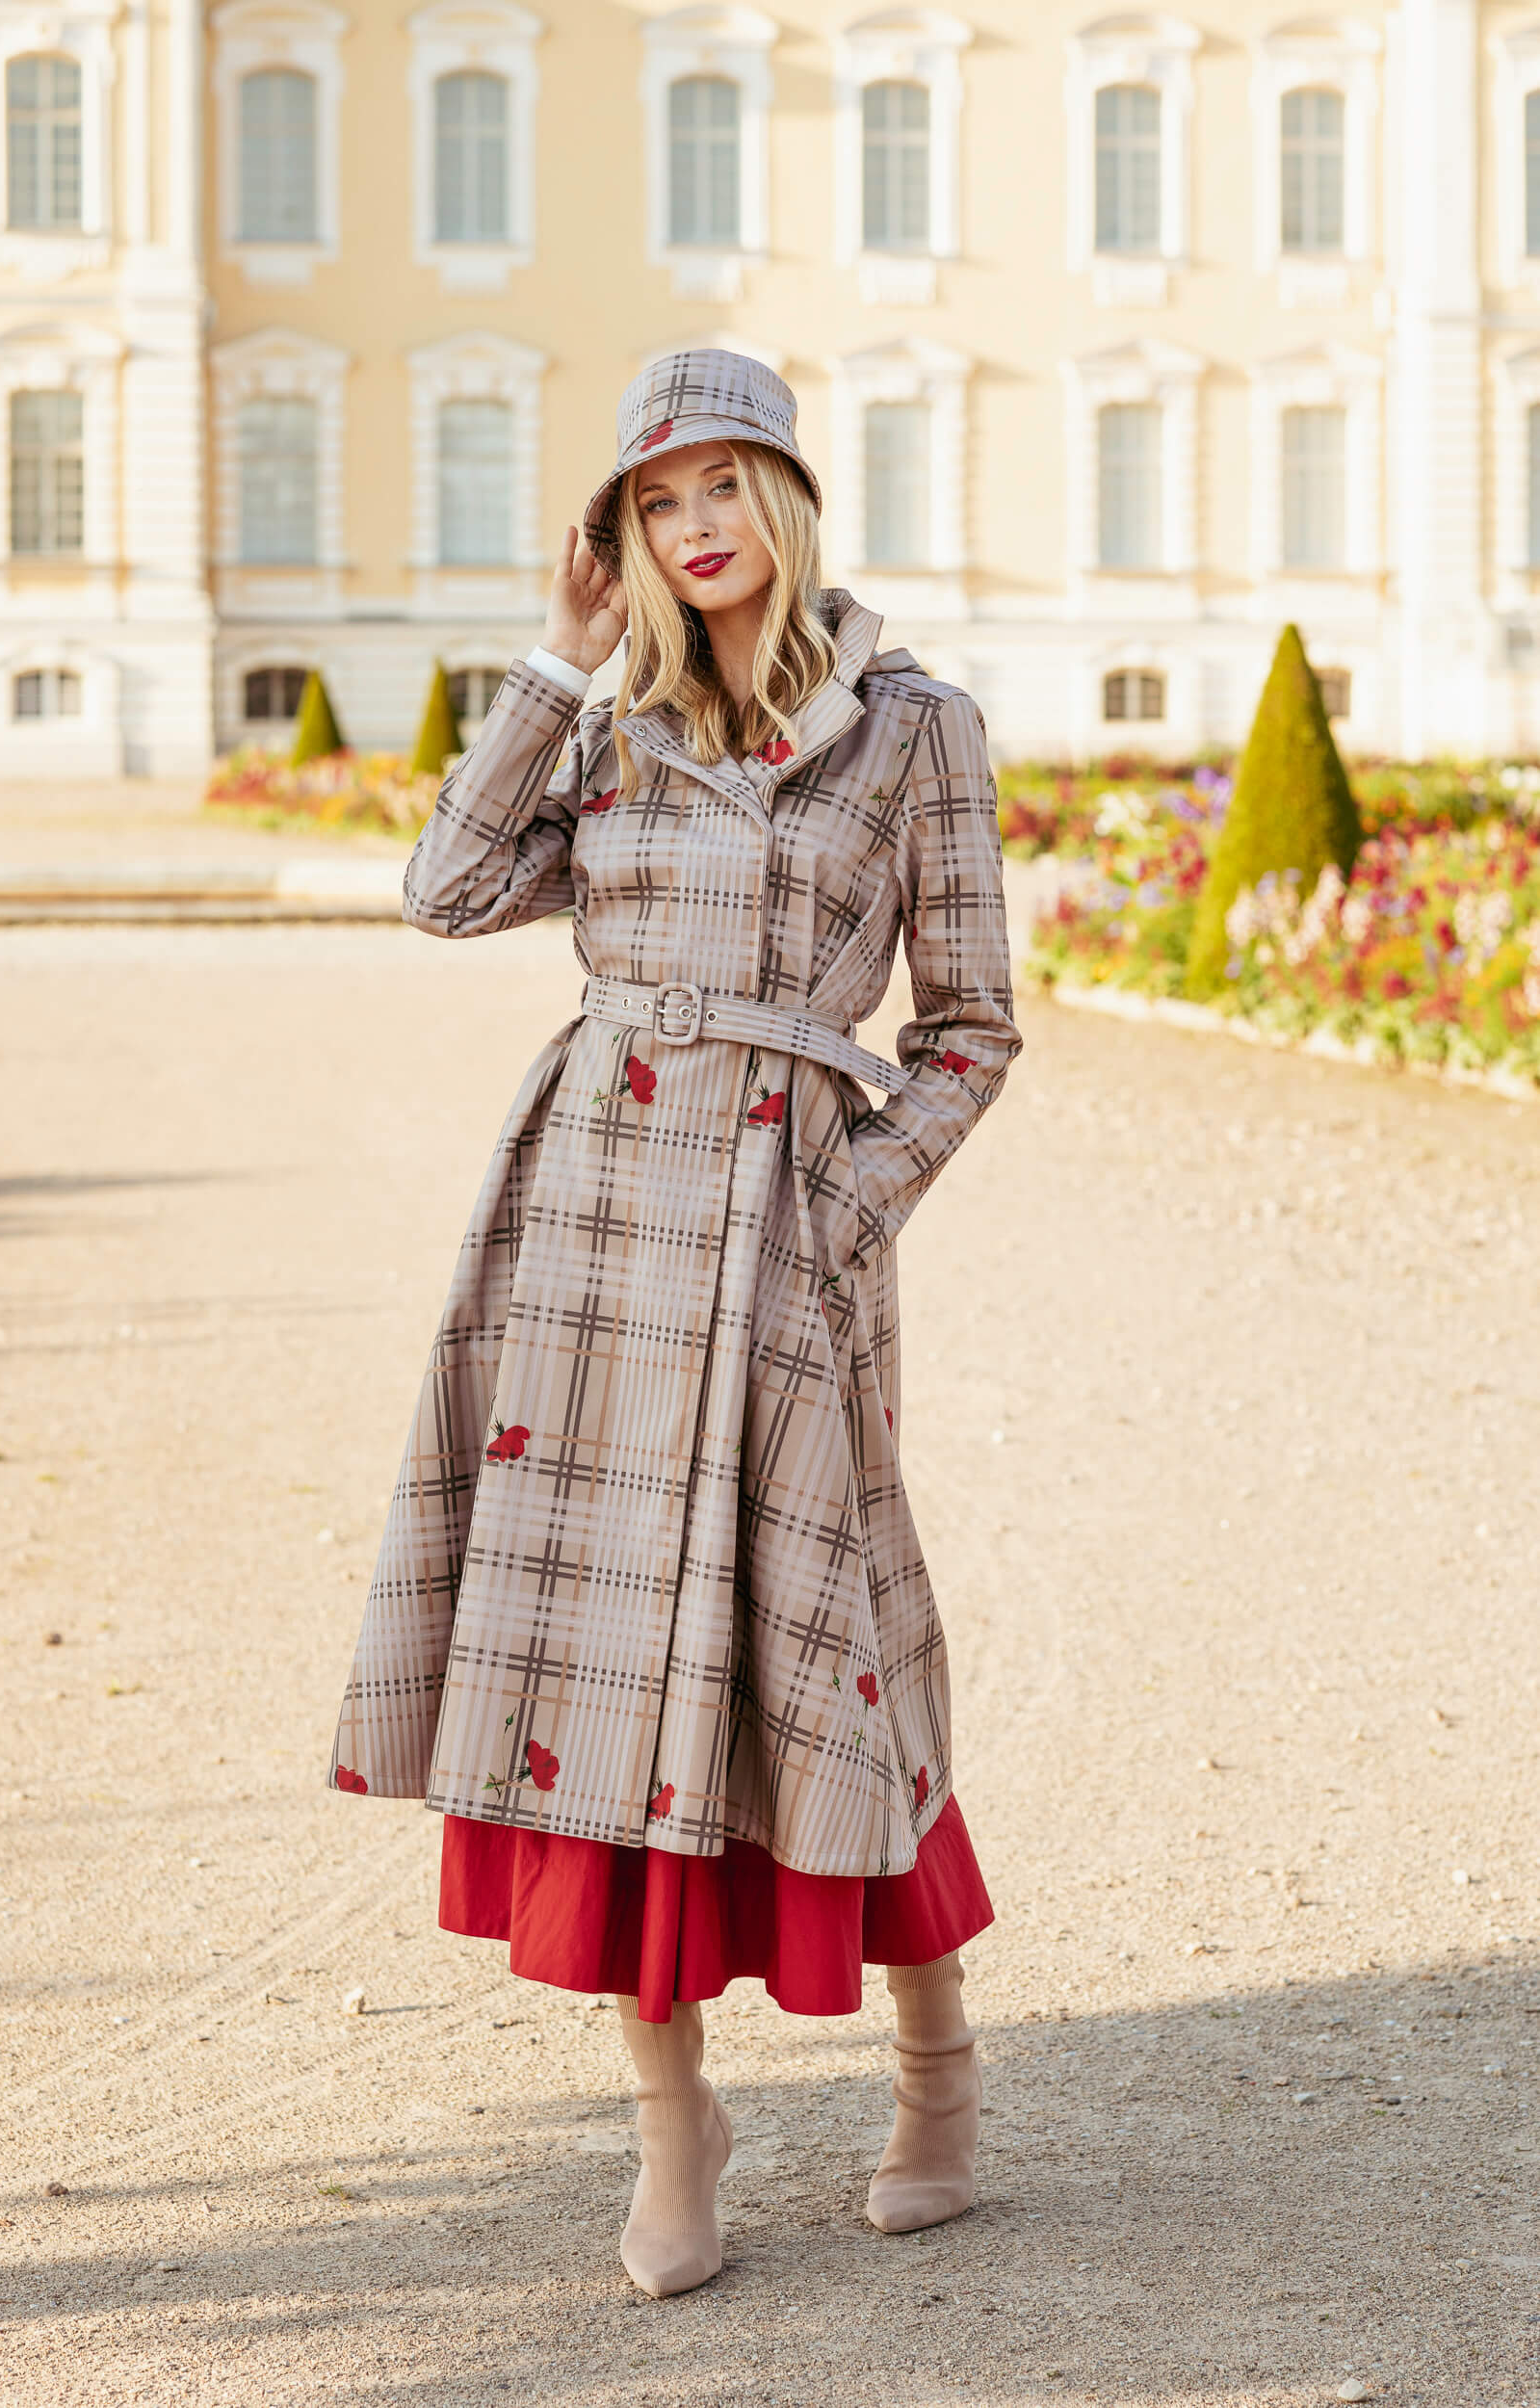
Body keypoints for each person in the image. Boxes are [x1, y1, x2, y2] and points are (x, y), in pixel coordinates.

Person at [329, 350, 1023, 2298]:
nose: (694, 525)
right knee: (606, 1658)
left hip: (788, 1231)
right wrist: (555, 664)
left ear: (784, 497)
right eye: (656, 499)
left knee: (827, 1644)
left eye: (724, 485)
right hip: (591, 1226)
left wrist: (848, 1200)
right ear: (620, 532)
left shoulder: (914, 727)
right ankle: (672, 2124)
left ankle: (939, 2077)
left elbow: (972, 1026)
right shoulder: (612, 721)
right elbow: (443, 891)